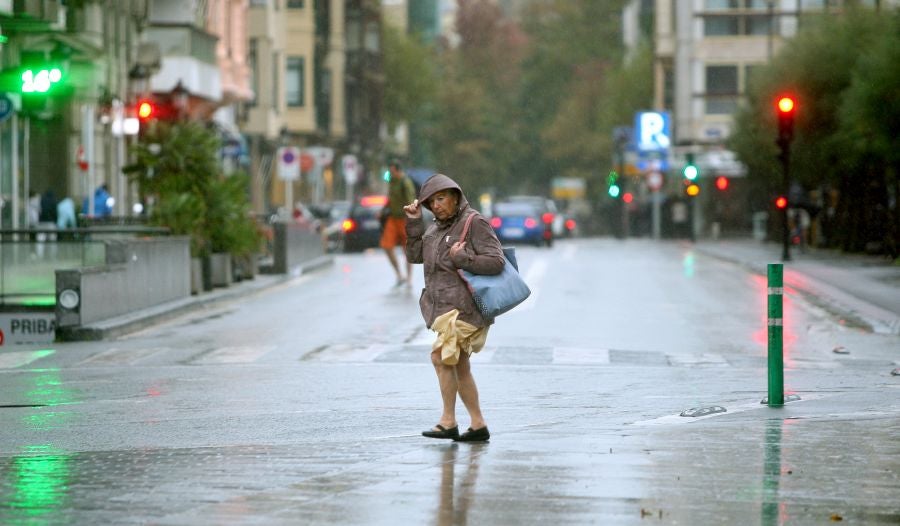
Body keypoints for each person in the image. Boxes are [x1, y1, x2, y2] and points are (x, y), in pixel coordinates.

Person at [403, 173, 505, 442]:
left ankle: (448, 421)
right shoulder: (435, 228)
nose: (436, 205)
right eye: (431, 202)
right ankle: (478, 423)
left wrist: (464, 258)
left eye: (441, 198)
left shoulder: (474, 223)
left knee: (440, 357)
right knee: (459, 366)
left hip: (466, 308)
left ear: (455, 197)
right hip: (442, 309)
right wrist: (414, 224)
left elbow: (496, 262)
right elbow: (415, 256)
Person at [381, 161, 417, 287]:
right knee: (386, 246)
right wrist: (382, 210)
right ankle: (399, 274)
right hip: (392, 218)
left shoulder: (405, 182)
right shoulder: (392, 181)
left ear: (397, 170)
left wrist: (411, 216)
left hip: (404, 219)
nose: (390, 173)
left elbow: (411, 200)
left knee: (407, 250)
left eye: (392, 171)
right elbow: (390, 198)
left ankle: (408, 278)